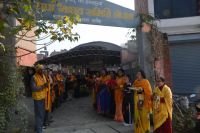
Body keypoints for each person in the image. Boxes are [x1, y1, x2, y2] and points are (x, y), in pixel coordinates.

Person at [31, 64, 48, 133]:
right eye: (41, 69)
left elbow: (46, 84)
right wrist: (43, 86)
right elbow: (34, 88)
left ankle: (38, 128)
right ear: (37, 70)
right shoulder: (34, 77)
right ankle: (39, 131)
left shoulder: (43, 76)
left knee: (42, 114)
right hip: (38, 99)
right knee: (39, 115)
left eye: (43, 69)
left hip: (43, 97)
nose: (43, 70)